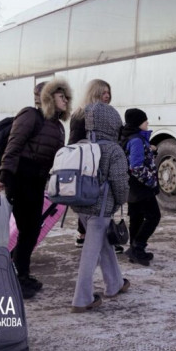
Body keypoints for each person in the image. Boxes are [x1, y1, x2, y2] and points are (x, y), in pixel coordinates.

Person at [0, 78, 72, 298]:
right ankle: (18, 278)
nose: (65, 100)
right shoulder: (30, 115)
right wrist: (4, 176)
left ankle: (22, 274)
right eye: (61, 96)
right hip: (21, 179)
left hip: (37, 182)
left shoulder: (57, 126)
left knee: (31, 231)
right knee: (27, 229)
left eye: (66, 97)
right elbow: (14, 145)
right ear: (48, 98)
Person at [71, 102, 130, 312]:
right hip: (101, 208)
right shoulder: (113, 149)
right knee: (91, 252)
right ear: (112, 124)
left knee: (104, 244)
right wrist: (121, 200)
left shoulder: (81, 144)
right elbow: (120, 183)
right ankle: (82, 299)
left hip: (81, 205)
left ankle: (115, 283)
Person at [68, 79, 118, 250]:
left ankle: (94, 236)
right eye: (103, 92)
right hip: (89, 166)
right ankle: (88, 236)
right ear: (94, 93)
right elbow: (74, 143)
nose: (107, 95)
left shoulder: (109, 114)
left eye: (108, 92)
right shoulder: (80, 115)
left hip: (106, 164)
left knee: (104, 202)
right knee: (92, 202)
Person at [120, 108, 161, 266]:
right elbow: (136, 167)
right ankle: (138, 247)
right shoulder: (137, 140)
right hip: (141, 186)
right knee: (153, 216)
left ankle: (134, 250)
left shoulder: (129, 137)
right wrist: (151, 181)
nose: (147, 122)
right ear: (138, 123)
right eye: (145, 120)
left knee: (136, 218)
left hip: (131, 186)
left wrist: (150, 151)